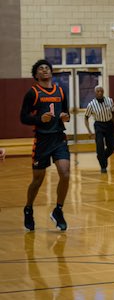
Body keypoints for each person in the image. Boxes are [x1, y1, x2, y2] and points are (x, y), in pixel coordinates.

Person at [20, 59, 70, 231]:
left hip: (58, 138)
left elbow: (66, 113)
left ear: (51, 72)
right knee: (37, 180)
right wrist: (38, 119)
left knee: (65, 174)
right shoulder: (32, 93)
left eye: (47, 68)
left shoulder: (61, 91)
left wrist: (65, 116)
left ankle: (58, 210)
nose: (44, 70)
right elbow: (23, 117)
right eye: (40, 68)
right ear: (36, 75)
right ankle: (28, 209)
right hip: (42, 140)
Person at [84, 85, 114, 173]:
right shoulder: (91, 104)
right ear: (95, 93)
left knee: (112, 146)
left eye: (101, 91)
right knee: (99, 146)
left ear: (103, 92)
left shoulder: (109, 100)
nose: (100, 92)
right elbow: (86, 118)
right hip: (99, 125)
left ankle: (102, 156)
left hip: (109, 124)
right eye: (98, 91)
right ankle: (103, 167)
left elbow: (113, 113)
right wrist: (89, 131)